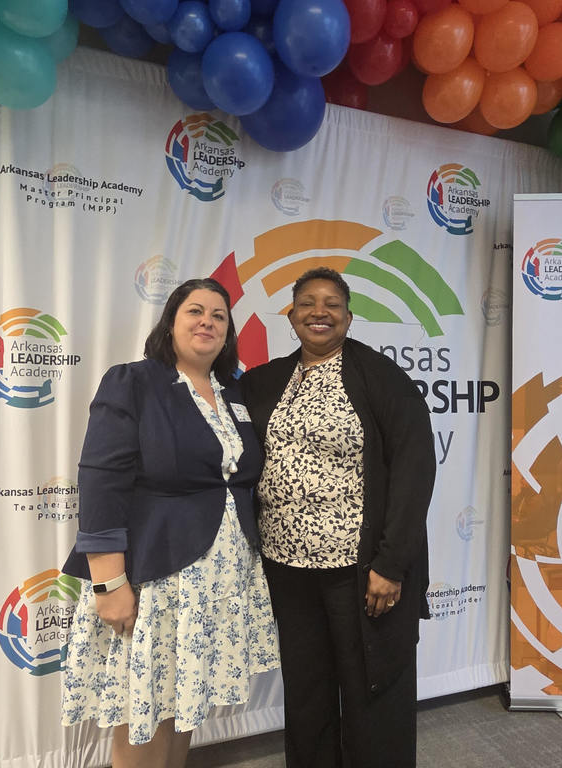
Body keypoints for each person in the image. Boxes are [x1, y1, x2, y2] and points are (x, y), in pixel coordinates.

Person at [60, 278, 280, 768]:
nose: (207, 322)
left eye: (219, 315)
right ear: (171, 324)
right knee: (146, 706)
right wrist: (108, 580)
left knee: (184, 704)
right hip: (157, 574)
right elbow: (101, 478)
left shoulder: (234, 394)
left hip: (218, 579)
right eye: (195, 311)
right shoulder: (135, 381)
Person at [240, 267, 436, 768]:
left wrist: (391, 564)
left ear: (349, 317)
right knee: (307, 694)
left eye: (331, 303)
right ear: (291, 315)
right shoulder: (264, 383)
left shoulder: (382, 378)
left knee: (373, 693)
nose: (319, 312)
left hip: (361, 571)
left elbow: (415, 471)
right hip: (288, 568)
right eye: (307, 302)